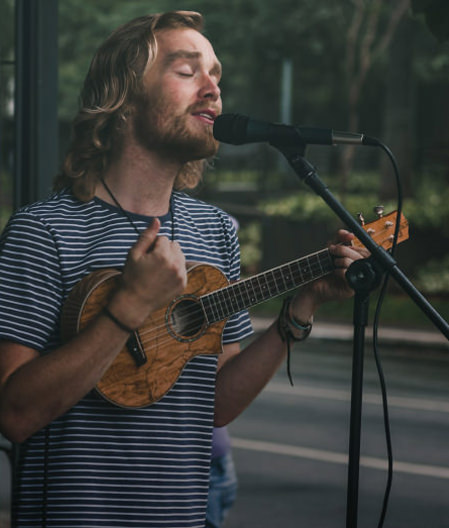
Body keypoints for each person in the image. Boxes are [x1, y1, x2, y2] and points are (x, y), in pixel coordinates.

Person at [0, 11, 365, 528]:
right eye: (187, 70)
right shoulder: (44, 231)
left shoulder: (216, 231)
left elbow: (213, 403)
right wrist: (127, 306)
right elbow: (14, 414)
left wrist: (299, 310)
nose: (213, 88)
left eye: (216, 73)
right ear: (123, 98)